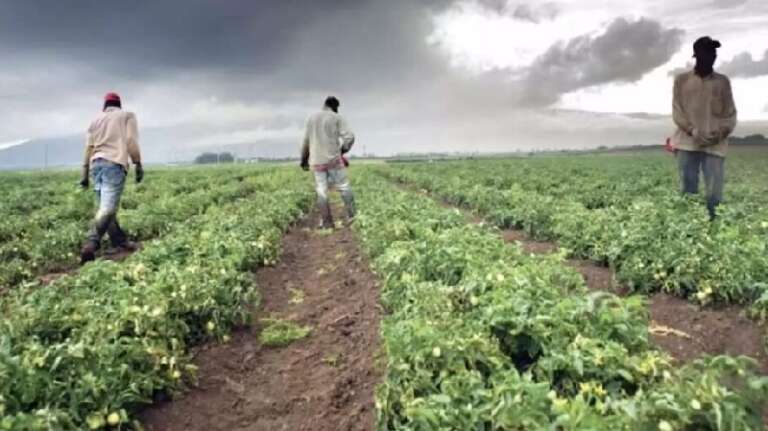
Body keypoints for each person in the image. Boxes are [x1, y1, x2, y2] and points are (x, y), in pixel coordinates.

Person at [672, 36, 737, 220]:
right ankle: (688, 230)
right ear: (697, 55)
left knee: (714, 195)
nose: (713, 55)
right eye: (708, 51)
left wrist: (721, 132)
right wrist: (693, 131)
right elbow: (678, 113)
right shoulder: (681, 81)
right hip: (687, 144)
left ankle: (714, 230)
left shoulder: (722, 82)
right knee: (688, 192)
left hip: (715, 146)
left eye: (714, 52)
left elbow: (730, 114)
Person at [79, 92, 144, 263]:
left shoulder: (95, 120)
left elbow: (89, 148)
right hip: (113, 164)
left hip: (96, 165)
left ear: (105, 106)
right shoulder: (127, 116)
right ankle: (91, 243)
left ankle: (119, 241)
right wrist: (137, 163)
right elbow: (130, 140)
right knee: (107, 208)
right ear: (119, 105)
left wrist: (84, 175)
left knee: (106, 206)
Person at [300, 96, 357, 229]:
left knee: (321, 191)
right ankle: (353, 217)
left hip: (316, 161)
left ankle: (327, 223)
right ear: (335, 107)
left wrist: (304, 160)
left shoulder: (311, 118)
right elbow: (350, 137)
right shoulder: (336, 117)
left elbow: (306, 142)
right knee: (344, 187)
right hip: (333, 160)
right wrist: (343, 150)